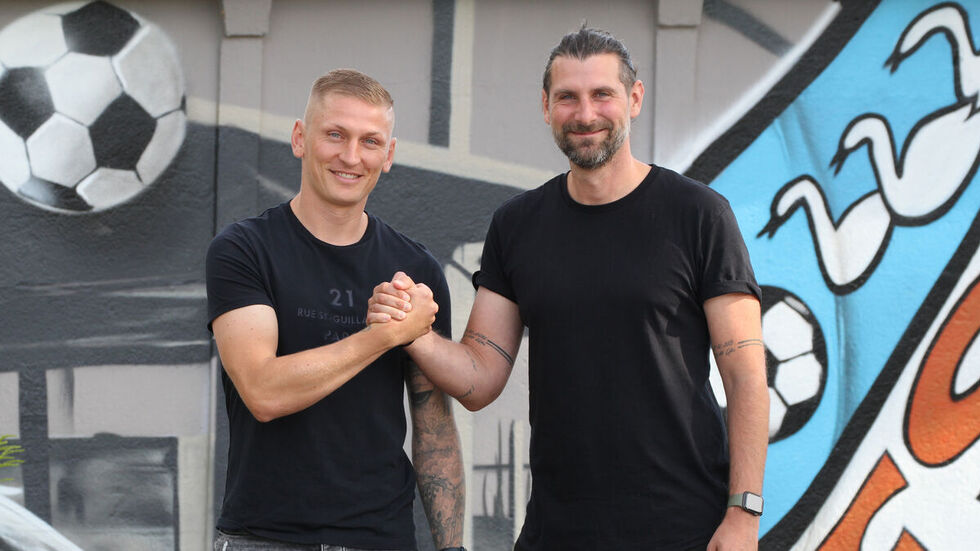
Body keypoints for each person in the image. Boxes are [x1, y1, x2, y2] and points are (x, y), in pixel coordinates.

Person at [368, 27, 769, 550]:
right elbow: (481, 377)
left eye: (602, 94)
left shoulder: (698, 214)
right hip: (557, 529)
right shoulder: (517, 225)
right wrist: (414, 334)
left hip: (684, 527)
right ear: (545, 105)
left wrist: (744, 514)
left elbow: (744, 376)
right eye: (568, 98)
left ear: (635, 98)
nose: (585, 114)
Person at [205, 69, 465, 551]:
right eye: (335, 135)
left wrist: (452, 548)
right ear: (300, 138)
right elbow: (262, 391)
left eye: (370, 141)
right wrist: (384, 334)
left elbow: (434, 426)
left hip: (381, 538)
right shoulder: (244, 250)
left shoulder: (415, 268)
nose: (351, 156)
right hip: (264, 539)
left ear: (388, 156)